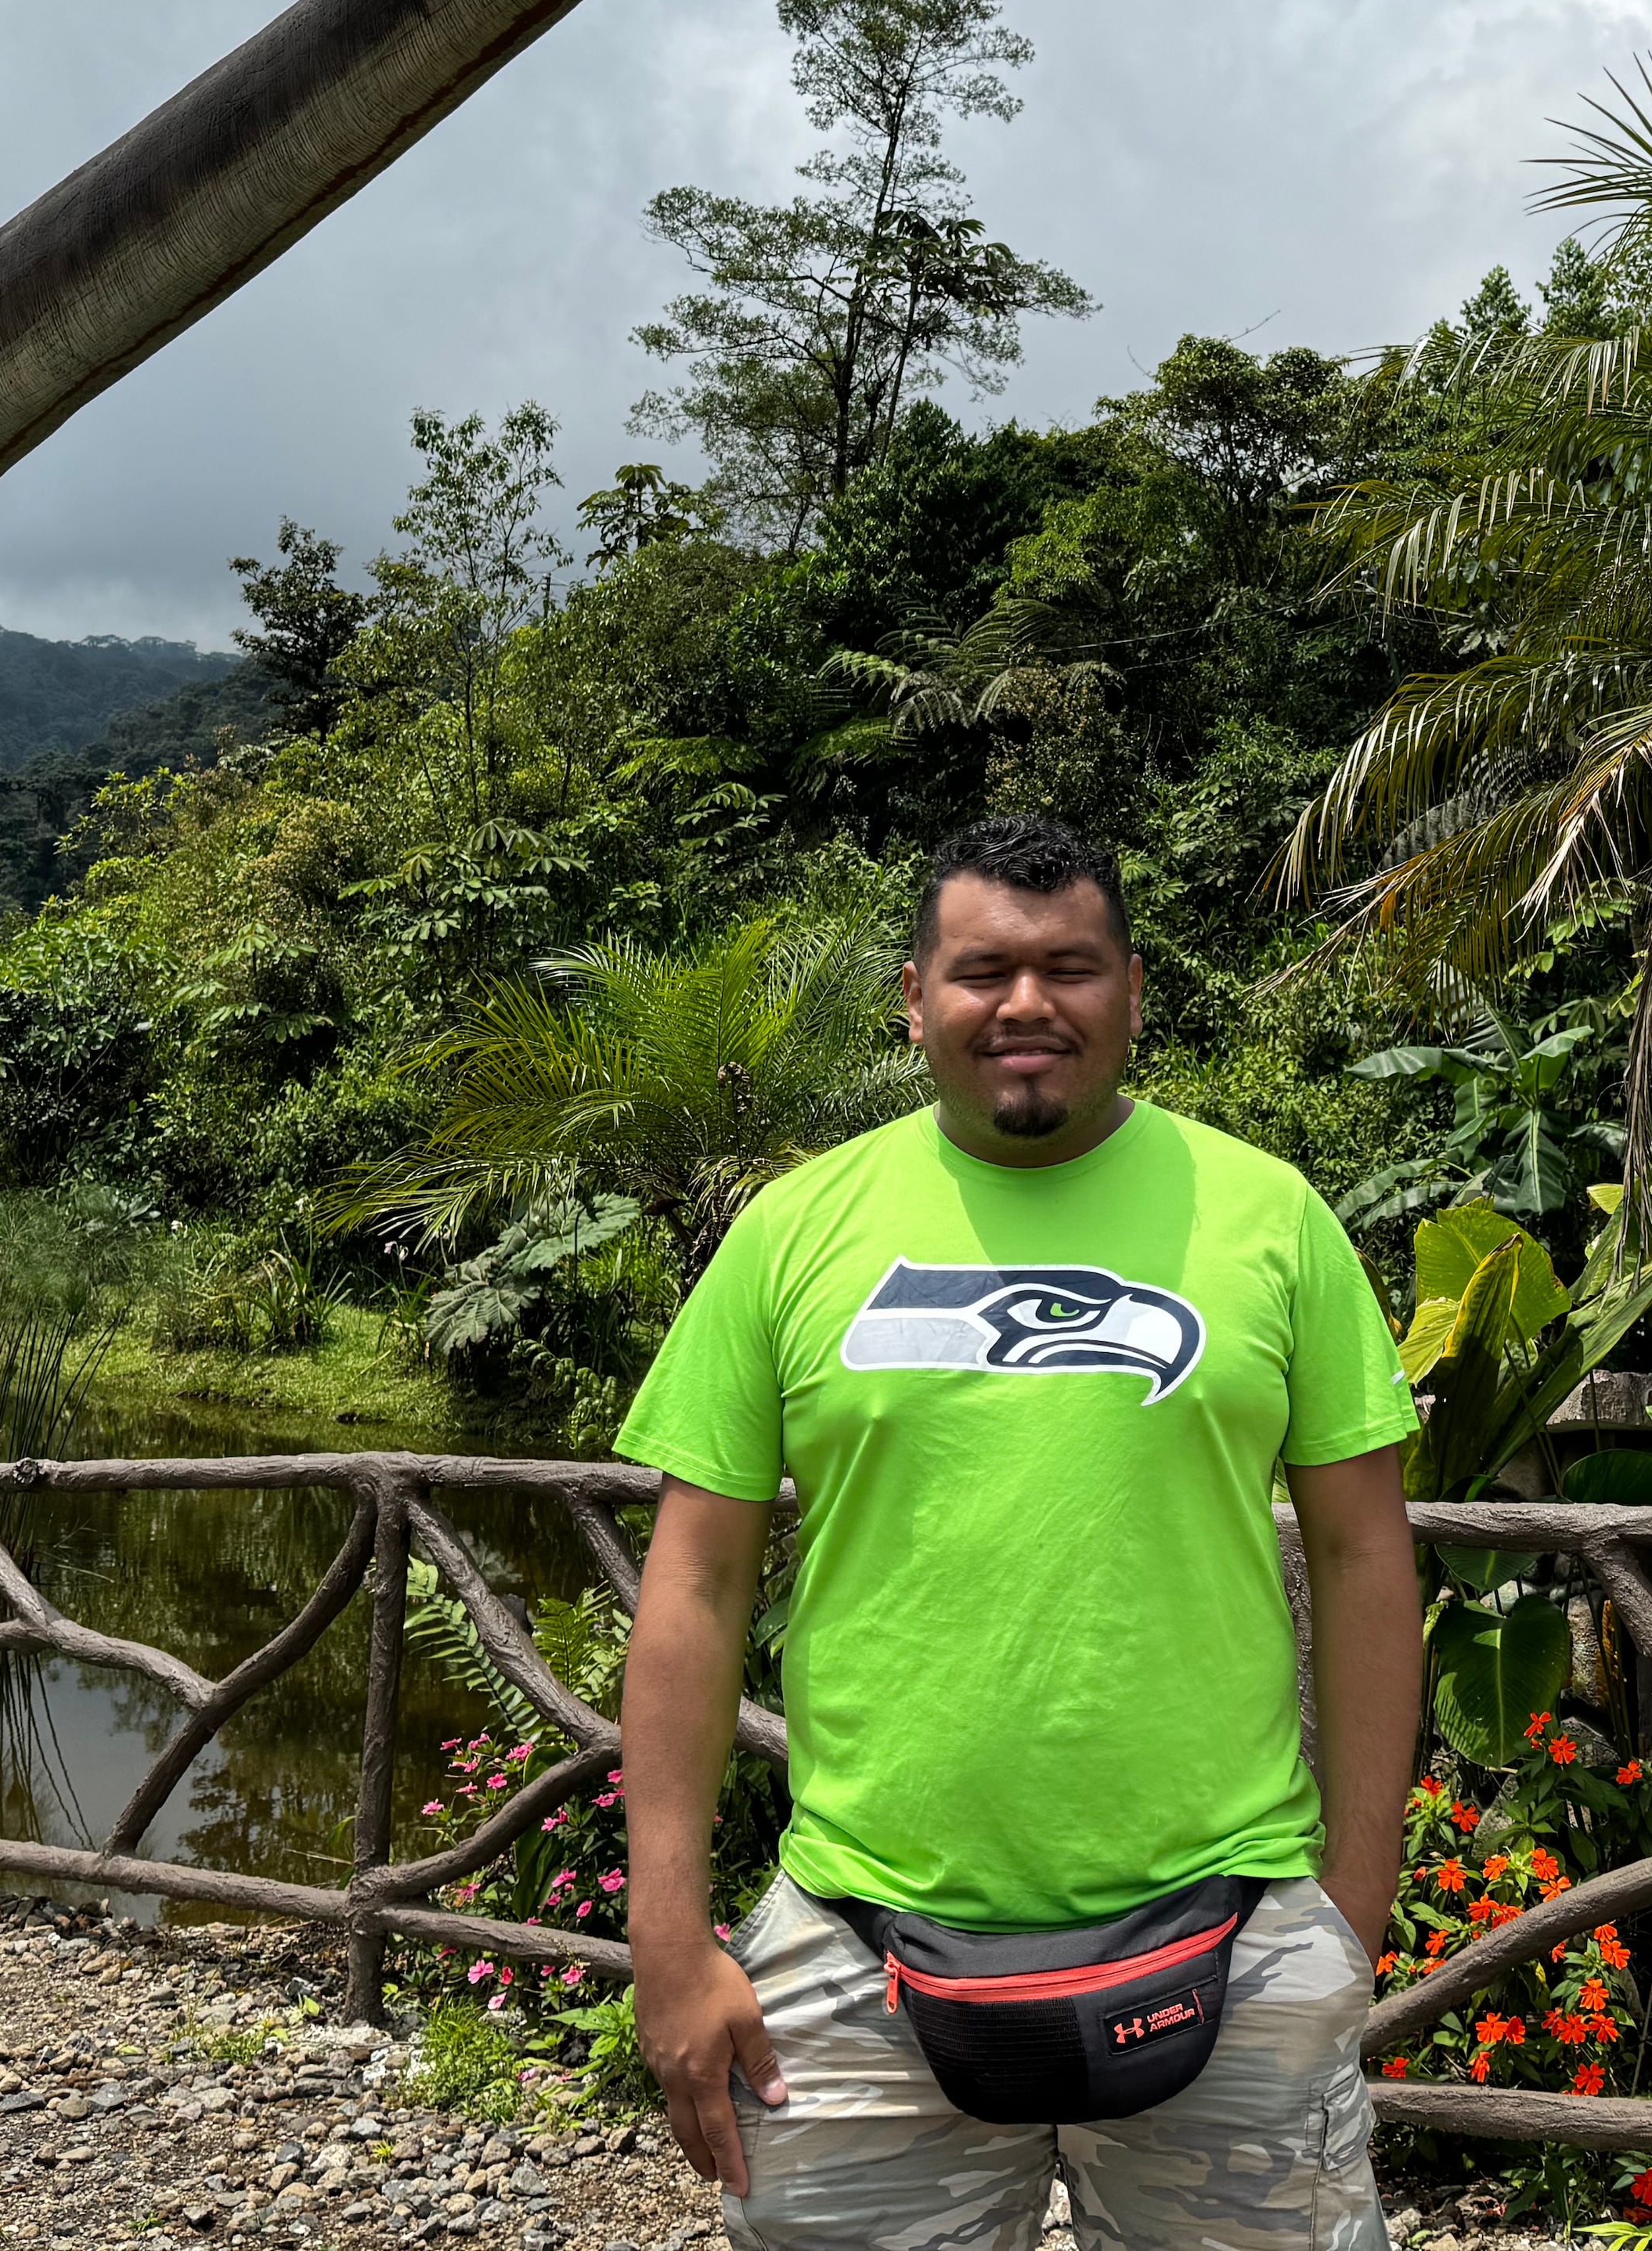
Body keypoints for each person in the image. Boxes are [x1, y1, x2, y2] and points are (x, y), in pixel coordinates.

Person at [615, 813, 1424, 2250]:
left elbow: (1366, 1559)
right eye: (984, 969)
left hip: (1232, 1933)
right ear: (916, 998)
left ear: (1130, 990)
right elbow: (695, 1574)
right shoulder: (795, 1229)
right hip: (859, 1945)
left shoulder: (1270, 1217)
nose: (1029, 1004)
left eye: (1072, 966)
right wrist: (669, 1936)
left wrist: (1348, 1910)